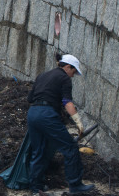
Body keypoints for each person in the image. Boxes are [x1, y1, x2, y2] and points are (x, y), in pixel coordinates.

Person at [26, 54, 95, 195]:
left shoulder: (42, 75)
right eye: (74, 72)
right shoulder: (64, 78)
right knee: (70, 147)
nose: (72, 76)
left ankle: (35, 188)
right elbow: (67, 102)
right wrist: (78, 122)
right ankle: (75, 185)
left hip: (32, 114)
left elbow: (30, 98)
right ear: (68, 67)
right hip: (47, 115)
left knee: (38, 151)